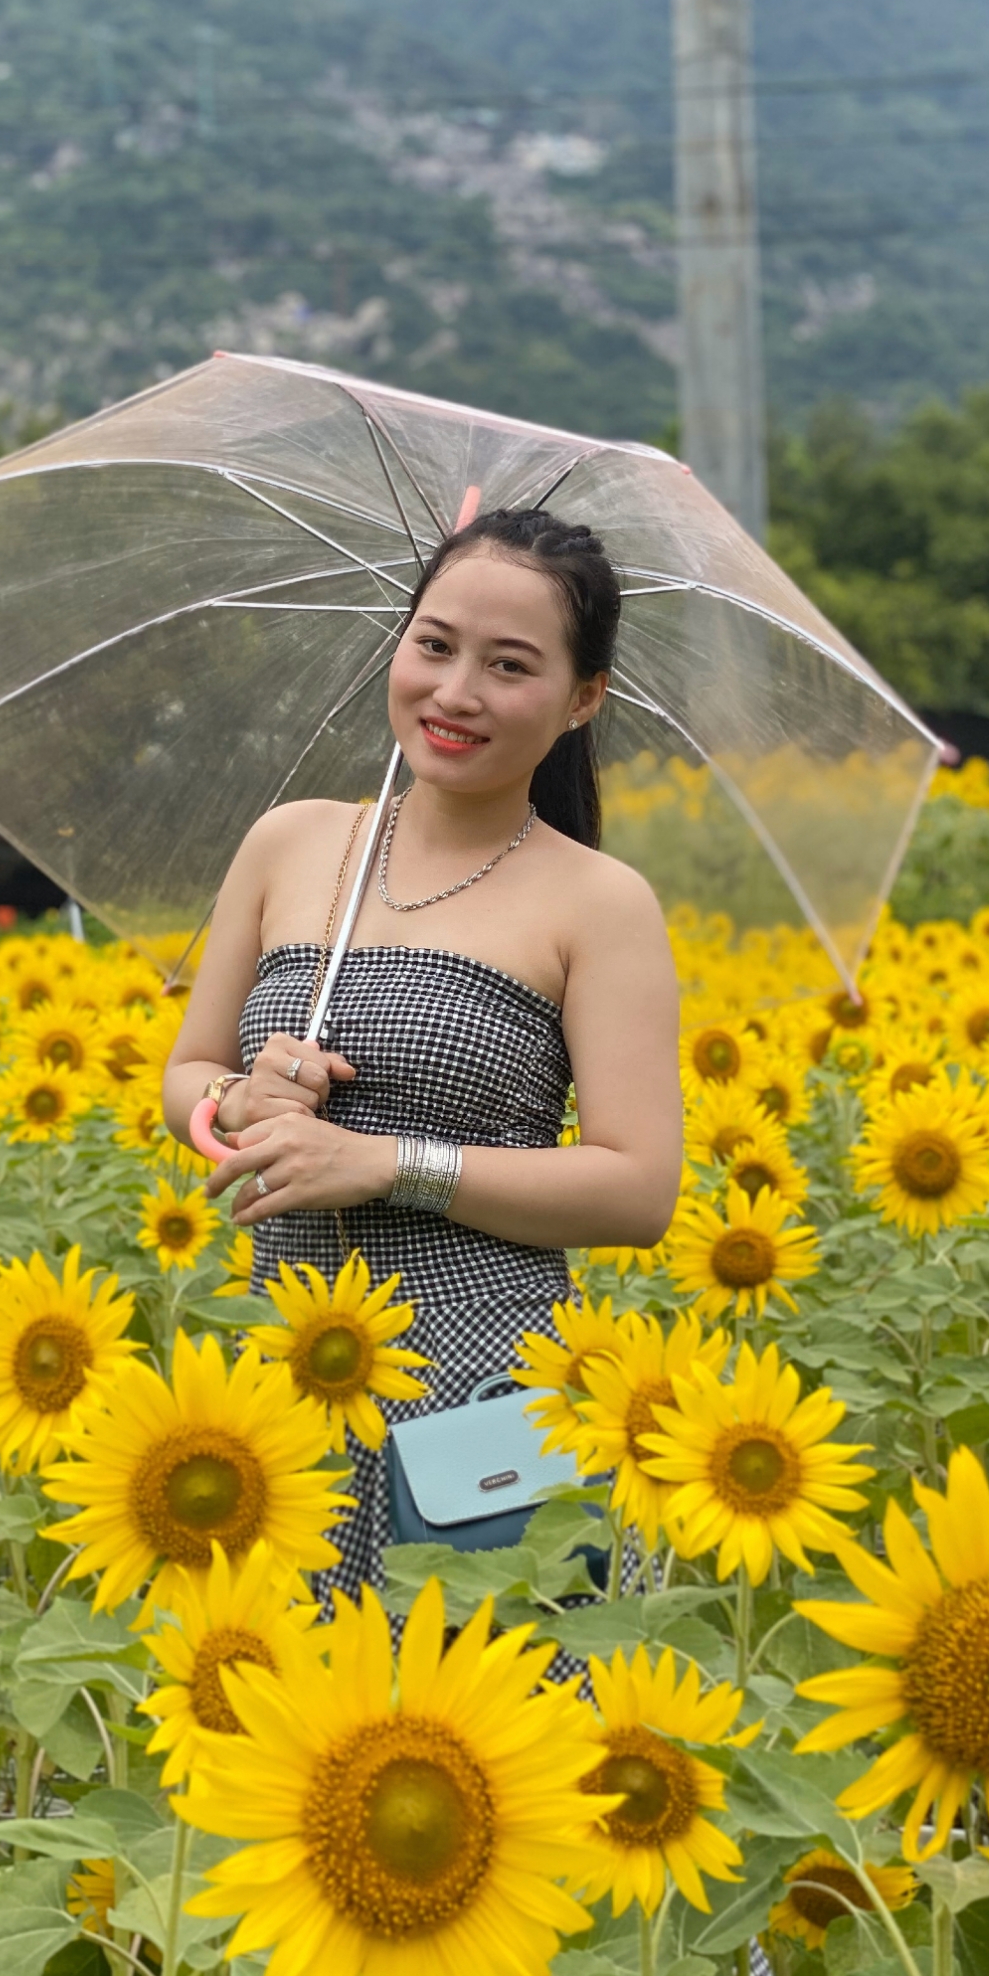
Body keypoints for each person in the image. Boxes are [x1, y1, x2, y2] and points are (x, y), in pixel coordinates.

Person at [162, 504, 683, 1602]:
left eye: (510, 664)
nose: (456, 692)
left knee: (497, 1739)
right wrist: (240, 1100)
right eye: (435, 645)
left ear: (584, 697)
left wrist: (392, 1161)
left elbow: (639, 1187)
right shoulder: (292, 843)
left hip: (489, 1401)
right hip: (286, 1386)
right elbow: (186, 1075)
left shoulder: (599, 903)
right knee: (285, 1744)